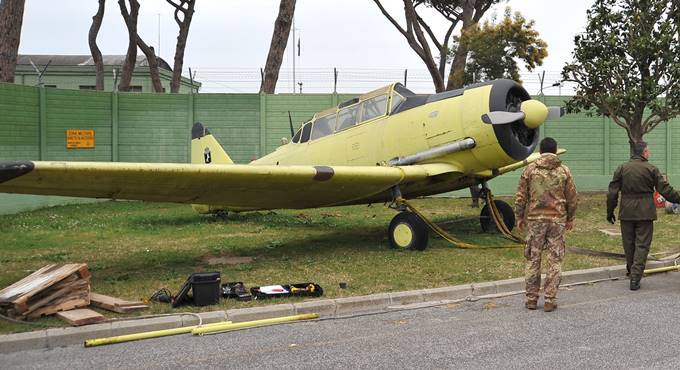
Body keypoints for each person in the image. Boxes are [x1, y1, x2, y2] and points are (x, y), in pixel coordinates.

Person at [515, 137, 578, 312]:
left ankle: (531, 299)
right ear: (556, 150)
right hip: (557, 221)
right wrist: (570, 218)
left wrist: (519, 217)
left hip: (535, 221)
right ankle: (550, 299)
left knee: (533, 259)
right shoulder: (564, 171)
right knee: (554, 260)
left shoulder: (530, 170)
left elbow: (521, 196)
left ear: (540, 151)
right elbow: (572, 197)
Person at [606, 141, 680, 290]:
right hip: (645, 211)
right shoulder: (651, 169)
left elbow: (612, 192)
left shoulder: (622, 168)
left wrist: (610, 211)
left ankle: (631, 270)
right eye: (648, 151)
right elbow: (665, 190)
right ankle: (635, 277)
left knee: (629, 244)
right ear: (644, 153)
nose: (649, 153)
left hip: (626, 211)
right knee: (642, 245)